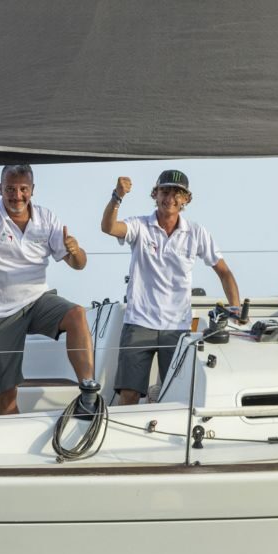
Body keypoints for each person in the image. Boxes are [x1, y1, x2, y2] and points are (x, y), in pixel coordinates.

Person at [101, 170, 241, 405]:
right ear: (155, 194)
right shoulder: (139, 225)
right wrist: (117, 196)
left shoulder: (196, 232)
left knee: (171, 398)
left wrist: (235, 307)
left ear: (186, 199)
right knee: (129, 394)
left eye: (178, 194)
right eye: (165, 192)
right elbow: (109, 227)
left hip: (177, 327)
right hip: (138, 323)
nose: (170, 198)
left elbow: (224, 271)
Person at [0, 165, 97, 416]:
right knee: (6, 394)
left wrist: (75, 250)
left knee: (77, 313)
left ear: (32, 190)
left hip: (37, 300)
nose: (17, 195)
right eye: (10, 189)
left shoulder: (46, 217)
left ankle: (88, 388)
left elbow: (79, 265)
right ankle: (9, 450)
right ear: (0, 189)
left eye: (23, 189)